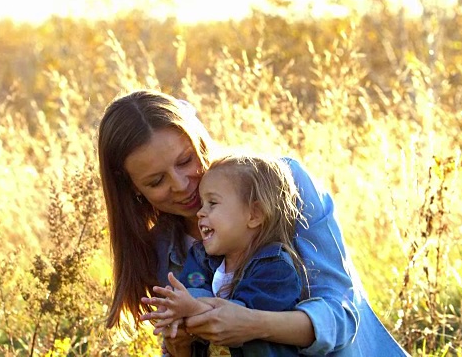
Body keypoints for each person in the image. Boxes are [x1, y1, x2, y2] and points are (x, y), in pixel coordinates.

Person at [97, 89, 408, 356]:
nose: (180, 184)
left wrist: (251, 323)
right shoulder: (162, 248)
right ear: (133, 189)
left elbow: (341, 316)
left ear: (200, 141)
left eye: (185, 160)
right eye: (156, 181)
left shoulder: (284, 185)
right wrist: (180, 346)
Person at [141, 154, 307, 356]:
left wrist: (191, 308)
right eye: (202, 204)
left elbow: (239, 318)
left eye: (212, 203)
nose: (200, 212)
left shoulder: (275, 267)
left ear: (254, 215)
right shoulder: (203, 258)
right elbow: (190, 291)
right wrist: (175, 310)